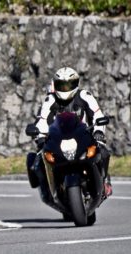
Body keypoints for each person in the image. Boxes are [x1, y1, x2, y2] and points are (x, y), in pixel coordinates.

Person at [32, 67, 112, 197]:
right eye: (61, 85)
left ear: (76, 83)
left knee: (103, 152)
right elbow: (42, 120)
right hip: (59, 139)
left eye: (69, 84)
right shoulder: (50, 100)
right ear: (55, 85)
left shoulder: (85, 96)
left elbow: (97, 115)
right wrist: (40, 136)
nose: (65, 88)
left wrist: (98, 132)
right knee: (40, 159)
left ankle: (104, 182)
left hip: (84, 136)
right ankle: (50, 190)